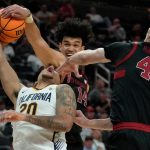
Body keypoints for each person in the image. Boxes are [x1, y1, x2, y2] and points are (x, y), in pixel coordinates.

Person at [1, 4, 92, 150]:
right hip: (55, 134)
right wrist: (28, 17)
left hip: (75, 137)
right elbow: (37, 42)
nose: (71, 48)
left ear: (83, 49)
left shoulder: (85, 80)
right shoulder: (59, 63)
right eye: (67, 44)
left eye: (76, 45)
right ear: (60, 46)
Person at [56, 28, 150, 150]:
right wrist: (87, 123)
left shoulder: (127, 49)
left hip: (125, 138)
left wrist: (68, 63)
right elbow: (119, 123)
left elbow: (85, 57)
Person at [0, 42, 77, 150]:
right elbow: (2, 63)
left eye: (55, 69)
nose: (50, 67)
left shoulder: (62, 89)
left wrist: (23, 117)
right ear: (38, 75)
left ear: (60, 80)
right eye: (47, 66)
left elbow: (65, 123)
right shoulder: (21, 91)